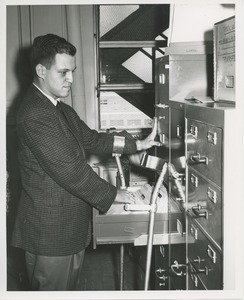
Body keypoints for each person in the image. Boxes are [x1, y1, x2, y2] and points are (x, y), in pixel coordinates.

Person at [11, 33, 161, 291]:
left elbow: (92, 140)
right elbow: (73, 174)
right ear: (41, 70)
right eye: (63, 72)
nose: (71, 78)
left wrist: (138, 144)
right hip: (51, 234)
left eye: (73, 71)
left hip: (67, 230)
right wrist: (120, 195)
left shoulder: (58, 108)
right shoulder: (36, 114)